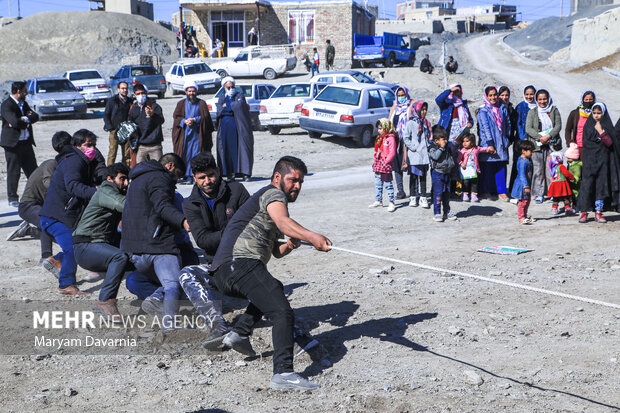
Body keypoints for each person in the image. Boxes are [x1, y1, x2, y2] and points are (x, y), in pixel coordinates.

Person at [210, 156, 332, 391]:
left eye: (300, 182)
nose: (297, 186)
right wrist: (314, 236)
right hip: (239, 264)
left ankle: (239, 333)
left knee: (273, 288)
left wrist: (291, 245)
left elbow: (275, 251)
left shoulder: (267, 205)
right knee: (282, 312)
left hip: (228, 270)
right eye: (292, 180)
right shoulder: (273, 194)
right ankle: (283, 373)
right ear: (277, 178)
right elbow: (285, 223)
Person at [178, 152, 250, 348]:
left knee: (267, 294)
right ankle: (217, 325)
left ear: (218, 172)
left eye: (211, 175)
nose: (207, 181)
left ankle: (295, 333)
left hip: (245, 260)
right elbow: (202, 240)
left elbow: (253, 223)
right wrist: (232, 229)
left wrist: (223, 235)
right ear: (194, 177)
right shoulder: (190, 204)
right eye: (202, 177)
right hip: (215, 265)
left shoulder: (237, 190)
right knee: (186, 274)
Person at [120, 153, 190, 330]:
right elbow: (163, 206)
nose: (176, 181)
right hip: (156, 246)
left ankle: (157, 301)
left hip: (134, 250)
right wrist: (183, 221)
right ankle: (169, 325)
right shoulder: (161, 177)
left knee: (138, 281)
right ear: (171, 166)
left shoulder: (137, 178)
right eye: (178, 176)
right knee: (174, 283)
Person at [39, 129, 99, 295]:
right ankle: (65, 285)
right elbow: (73, 186)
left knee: (77, 244)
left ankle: (57, 259)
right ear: (77, 146)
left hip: (61, 215)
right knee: (73, 248)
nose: (92, 148)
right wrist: (97, 192)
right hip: (56, 216)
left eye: (93, 145)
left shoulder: (80, 161)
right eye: (88, 145)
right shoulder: (74, 161)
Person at [7, 132, 72, 276]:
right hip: (28, 205)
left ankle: (29, 231)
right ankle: (45, 257)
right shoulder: (51, 164)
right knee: (48, 222)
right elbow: (48, 183)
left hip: (42, 206)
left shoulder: (62, 166)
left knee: (61, 230)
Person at [73, 163, 130, 317]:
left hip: (97, 244)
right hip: (86, 246)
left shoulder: (117, 192)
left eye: (128, 180)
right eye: (122, 179)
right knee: (119, 257)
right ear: (110, 179)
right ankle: (105, 301)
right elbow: (124, 205)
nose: (126, 183)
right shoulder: (106, 190)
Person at [1, 81, 39, 207]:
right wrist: (22, 121)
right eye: (25, 91)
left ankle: (37, 195)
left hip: (26, 143)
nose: (26, 93)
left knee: (33, 170)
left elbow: (35, 116)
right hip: (13, 144)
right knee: (14, 171)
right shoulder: (7, 105)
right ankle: (12, 197)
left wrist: (25, 119)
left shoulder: (24, 104)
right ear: (19, 92)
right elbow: (14, 122)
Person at [577, 103, 617, 223]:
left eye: (599, 113)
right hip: (589, 162)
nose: (596, 116)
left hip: (603, 162)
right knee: (587, 186)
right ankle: (584, 212)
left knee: (601, 186)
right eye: (594, 113)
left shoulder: (607, 126)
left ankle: (598, 212)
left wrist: (601, 132)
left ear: (603, 113)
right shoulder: (588, 125)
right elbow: (586, 144)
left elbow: (610, 143)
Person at [172, 79, 214, 184]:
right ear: (186, 92)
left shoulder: (201, 103)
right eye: (189, 91)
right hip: (185, 135)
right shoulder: (181, 103)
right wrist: (184, 121)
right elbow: (176, 117)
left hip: (197, 135)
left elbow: (206, 118)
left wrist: (195, 120)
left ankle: (196, 175)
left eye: (193, 91)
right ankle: (186, 175)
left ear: (196, 91)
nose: (191, 93)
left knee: (197, 155)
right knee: (185, 154)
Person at [526, 89, 562, 203]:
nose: (542, 102)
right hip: (537, 146)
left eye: (544, 99)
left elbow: (558, 125)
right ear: (536, 100)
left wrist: (549, 136)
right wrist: (540, 138)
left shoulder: (554, 110)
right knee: (538, 170)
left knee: (551, 170)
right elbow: (528, 128)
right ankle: (538, 193)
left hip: (551, 144)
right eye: (540, 99)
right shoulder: (532, 112)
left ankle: (552, 192)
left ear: (548, 98)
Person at [216, 77, 254, 182]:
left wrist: (227, 106)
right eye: (228, 87)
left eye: (232, 86)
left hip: (239, 127)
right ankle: (230, 174)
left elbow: (240, 106)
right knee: (227, 151)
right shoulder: (222, 97)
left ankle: (245, 173)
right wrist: (232, 108)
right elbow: (219, 111)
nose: (231, 89)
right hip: (226, 128)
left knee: (242, 149)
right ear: (224, 87)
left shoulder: (240, 96)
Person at [477, 86, 510, 201]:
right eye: (490, 95)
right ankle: (487, 191)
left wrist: (507, 138)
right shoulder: (483, 110)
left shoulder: (501, 108)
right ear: (486, 96)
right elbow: (484, 127)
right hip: (488, 142)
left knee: (500, 166)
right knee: (488, 167)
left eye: (495, 95)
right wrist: (489, 143)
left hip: (501, 141)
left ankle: (502, 191)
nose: (493, 97)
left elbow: (507, 123)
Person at [403, 101, 431, 208]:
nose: (424, 112)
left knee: (423, 177)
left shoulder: (426, 123)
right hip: (414, 155)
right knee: (413, 177)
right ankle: (413, 197)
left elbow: (429, 137)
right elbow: (406, 137)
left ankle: (423, 197)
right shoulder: (411, 123)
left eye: (425, 110)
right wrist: (413, 147)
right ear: (417, 110)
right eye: (422, 109)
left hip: (424, 156)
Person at [509, 85, 537, 194]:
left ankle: (531, 188)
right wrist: (523, 137)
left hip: (533, 139)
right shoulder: (520, 106)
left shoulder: (537, 106)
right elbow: (518, 123)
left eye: (531, 94)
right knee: (519, 164)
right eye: (527, 94)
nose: (529, 96)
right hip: (522, 141)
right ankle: (515, 189)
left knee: (533, 165)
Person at [128, 83, 164, 165]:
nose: (141, 95)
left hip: (155, 145)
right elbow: (131, 125)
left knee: (157, 168)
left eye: (143, 93)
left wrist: (153, 115)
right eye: (138, 94)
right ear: (134, 95)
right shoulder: (134, 109)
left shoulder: (154, 106)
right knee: (141, 169)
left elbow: (161, 120)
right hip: (141, 146)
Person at [428, 125, 456, 222]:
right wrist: (441, 149)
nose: (445, 141)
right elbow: (435, 157)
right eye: (443, 139)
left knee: (447, 194)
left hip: (447, 173)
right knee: (438, 194)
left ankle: (447, 212)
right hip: (437, 174)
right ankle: (437, 213)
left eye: (446, 139)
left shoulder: (447, 146)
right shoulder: (433, 147)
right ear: (436, 141)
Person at [368, 119, 397, 213]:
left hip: (386, 164)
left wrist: (387, 161)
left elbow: (392, 152)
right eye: (378, 129)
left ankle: (391, 202)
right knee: (378, 183)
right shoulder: (380, 138)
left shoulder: (390, 138)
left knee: (388, 184)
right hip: (378, 163)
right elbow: (377, 149)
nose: (379, 131)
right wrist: (376, 155)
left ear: (386, 127)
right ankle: (378, 200)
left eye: (381, 128)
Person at [388, 87, 412, 199]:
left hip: (407, 140)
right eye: (399, 95)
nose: (401, 98)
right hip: (396, 140)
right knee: (396, 166)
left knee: (409, 165)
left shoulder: (410, 108)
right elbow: (389, 123)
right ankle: (400, 191)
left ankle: (414, 192)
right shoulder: (394, 108)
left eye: (403, 95)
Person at [457, 133, 495, 203]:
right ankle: (465, 194)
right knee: (465, 182)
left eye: (467, 141)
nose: (464, 143)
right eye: (463, 141)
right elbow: (458, 159)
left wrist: (489, 149)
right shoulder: (462, 151)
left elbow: (482, 149)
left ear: (472, 142)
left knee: (474, 183)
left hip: (474, 170)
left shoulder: (476, 149)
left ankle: (473, 195)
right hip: (465, 170)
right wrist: (461, 163)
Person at [103, 81, 132, 166]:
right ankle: (109, 171)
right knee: (113, 152)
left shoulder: (130, 101)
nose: (125, 90)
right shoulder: (112, 101)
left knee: (127, 154)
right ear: (118, 90)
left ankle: (126, 170)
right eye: (123, 88)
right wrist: (110, 128)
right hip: (114, 130)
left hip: (126, 130)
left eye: (126, 88)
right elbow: (106, 115)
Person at [511, 140, 536, 224]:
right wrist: (526, 186)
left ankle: (525, 215)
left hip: (526, 184)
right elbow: (522, 175)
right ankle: (521, 218)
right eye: (530, 151)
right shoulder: (523, 162)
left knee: (527, 200)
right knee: (523, 202)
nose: (532, 153)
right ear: (523, 151)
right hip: (522, 185)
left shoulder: (525, 159)